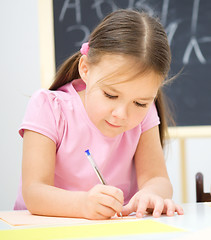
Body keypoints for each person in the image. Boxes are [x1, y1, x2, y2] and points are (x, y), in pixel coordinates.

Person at [14, 9, 184, 220]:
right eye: (110, 95)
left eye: (140, 103)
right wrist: (83, 205)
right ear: (85, 69)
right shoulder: (48, 108)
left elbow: (157, 178)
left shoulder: (146, 113)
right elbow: (34, 192)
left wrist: (151, 194)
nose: (121, 114)